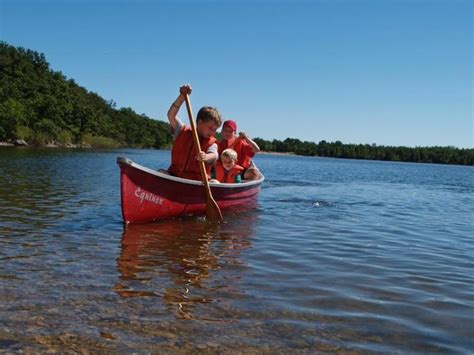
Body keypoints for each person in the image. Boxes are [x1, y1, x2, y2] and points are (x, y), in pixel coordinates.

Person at [166, 84, 222, 181]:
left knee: (215, 182)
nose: (212, 132)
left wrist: (206, 157)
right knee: (161, 172)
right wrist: (182, 96)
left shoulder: (211, 143)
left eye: (215, 130)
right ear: (200, 123)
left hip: (197, 182)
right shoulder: (182, 131)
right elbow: (171, 115)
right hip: (175, 176)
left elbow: (214, 155)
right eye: (210, 128)